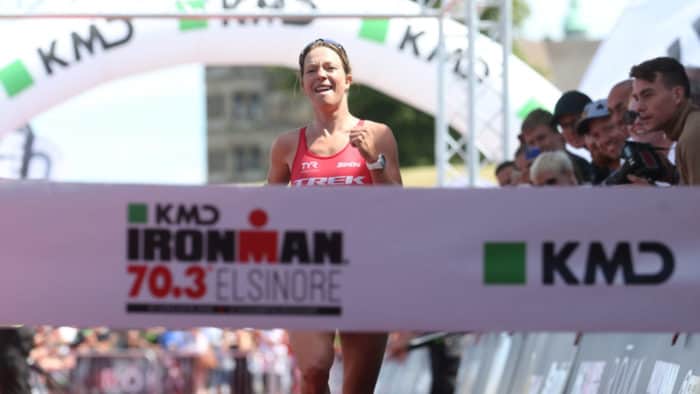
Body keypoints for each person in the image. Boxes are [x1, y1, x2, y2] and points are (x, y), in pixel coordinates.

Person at [267, 38, 402, 393]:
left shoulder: (378, 134)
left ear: (348, 78)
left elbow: (401, 211)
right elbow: (265, 215)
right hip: (310, 274)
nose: (321, 75)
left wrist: (374, 161)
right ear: (303, 82)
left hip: (367, 276)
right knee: (313, 369)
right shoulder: (286, 146)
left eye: (329, 68)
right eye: (312, 70)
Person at [630, 56, 700, 185]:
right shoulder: (689, 129)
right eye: (636, 98)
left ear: (677, 95)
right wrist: (672, 175)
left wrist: (653, 196)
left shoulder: (692, 137)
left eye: (648, 95)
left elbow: (695, 204)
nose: (639, 107)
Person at [520, 109, 592, 183]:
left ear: (558, 134)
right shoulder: (529, 178)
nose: (538, 146)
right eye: (531, 143)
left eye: (541, 138)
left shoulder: (584, 167)